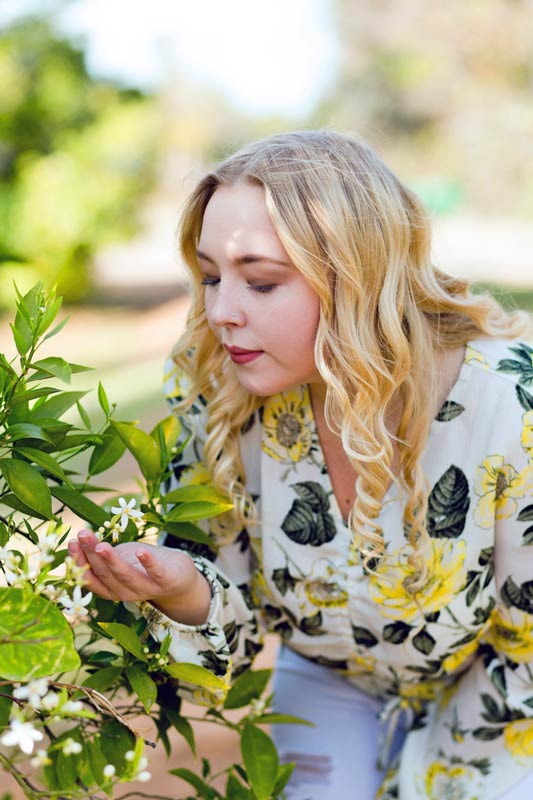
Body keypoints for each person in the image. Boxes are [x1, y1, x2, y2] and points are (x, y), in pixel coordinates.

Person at [69, 130, 533, 799]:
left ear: (356, 277)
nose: (220, 312)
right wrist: (180, 588)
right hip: (328, 676)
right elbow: (223, 623)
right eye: (209, 277)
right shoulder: (219, 390)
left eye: (260, 282)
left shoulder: (509, 406)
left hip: (497, 687)